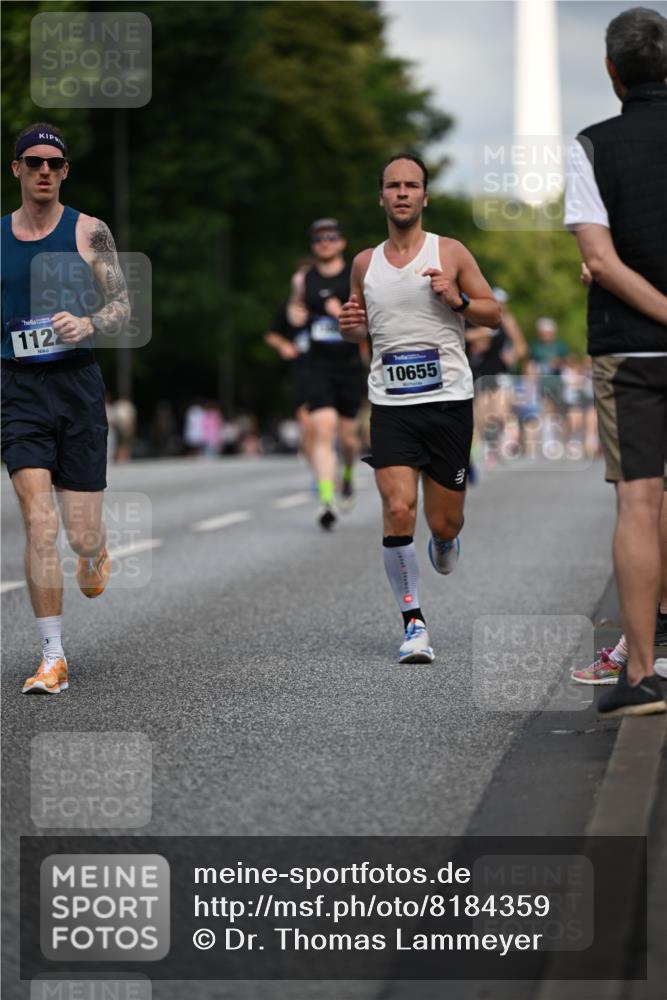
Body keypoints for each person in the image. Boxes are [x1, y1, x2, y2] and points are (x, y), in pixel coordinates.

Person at [339, 154, 499, 663]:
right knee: (398, 508)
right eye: (394, 185)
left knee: (445, 521)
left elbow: (494, 313)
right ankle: (413, 625)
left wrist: (458, 300)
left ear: (425, 197)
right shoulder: (364, 263)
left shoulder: (449, 251)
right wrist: (351, 329)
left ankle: (445, 541)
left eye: (412, 185)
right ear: (381, 197)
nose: (402, 193)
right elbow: (360, 325)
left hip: (449, 401)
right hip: (391, 403)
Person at [1, 122, 130, 694]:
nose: (44, 171)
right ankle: (52, 656)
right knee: (39, 521)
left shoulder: (90, 231)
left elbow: (123, 305)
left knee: (79, 534)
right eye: (34, 162)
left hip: (76, 386)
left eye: (54, 163)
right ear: (17, 169)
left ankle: (95, 551)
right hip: (18, 390)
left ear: (65, 172)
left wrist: (89, 323)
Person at [564, 7, 667, 716]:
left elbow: (599, 260)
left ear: (611, 71)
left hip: (630, 349)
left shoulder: (592, 145)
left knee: (639, 499)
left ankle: (640, 673)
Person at [288, 220, 365, 530]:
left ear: (342, 242)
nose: (325, 242)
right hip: (317, 367)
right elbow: (294, 312)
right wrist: (295, 312)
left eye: (331, 237)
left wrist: (341, 313)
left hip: (349, 366)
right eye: (319, 238)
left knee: (348, 439)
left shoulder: (355, 276)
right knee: (323, 430)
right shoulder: (302, 279)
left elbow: (369, 321)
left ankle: (347, 474)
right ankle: (326, 500)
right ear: (313, 244)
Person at [264, 276, 314, 480]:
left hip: (330, 370)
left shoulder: (326, 303)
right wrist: (283, 345)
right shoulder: (286, 307)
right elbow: (271, 334)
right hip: (301, 372)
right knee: (308, 425)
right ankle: (319, 473)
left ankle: (336, 467)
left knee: (329, 428)